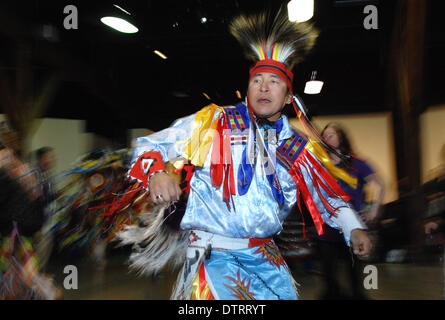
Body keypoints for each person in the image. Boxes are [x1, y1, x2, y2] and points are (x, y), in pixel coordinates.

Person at [117, 9, 372, 300]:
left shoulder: (297, 149)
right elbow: (149, 145)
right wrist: (157, 172)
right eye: (257, 80)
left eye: (274, 81)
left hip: (264, 256)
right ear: (248, 88)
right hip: (210, 252)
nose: (264, 86)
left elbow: (328, 197)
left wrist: (354, 229)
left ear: (289, 97)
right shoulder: (213, 122)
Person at [316, 122, 384, 299]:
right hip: (327, 226)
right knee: (328, 275)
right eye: (325, 135)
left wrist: (374, 210)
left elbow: (380, 184)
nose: (328, 138)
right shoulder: (321, 165)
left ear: (341, 137)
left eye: (332, 134)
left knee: (355, 275)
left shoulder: (356, 163)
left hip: (352, 227)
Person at [33, 147, 58, 270]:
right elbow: (37, 199)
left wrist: (55, 195)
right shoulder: (36, 174)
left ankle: (37, 280)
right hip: (39, 221)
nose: (53, 160)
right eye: (50, 157)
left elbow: (48, 196)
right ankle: (33, 282)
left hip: (46, 221)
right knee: (38, 253)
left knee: (44, 251)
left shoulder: (45, 174)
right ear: (43, 159)